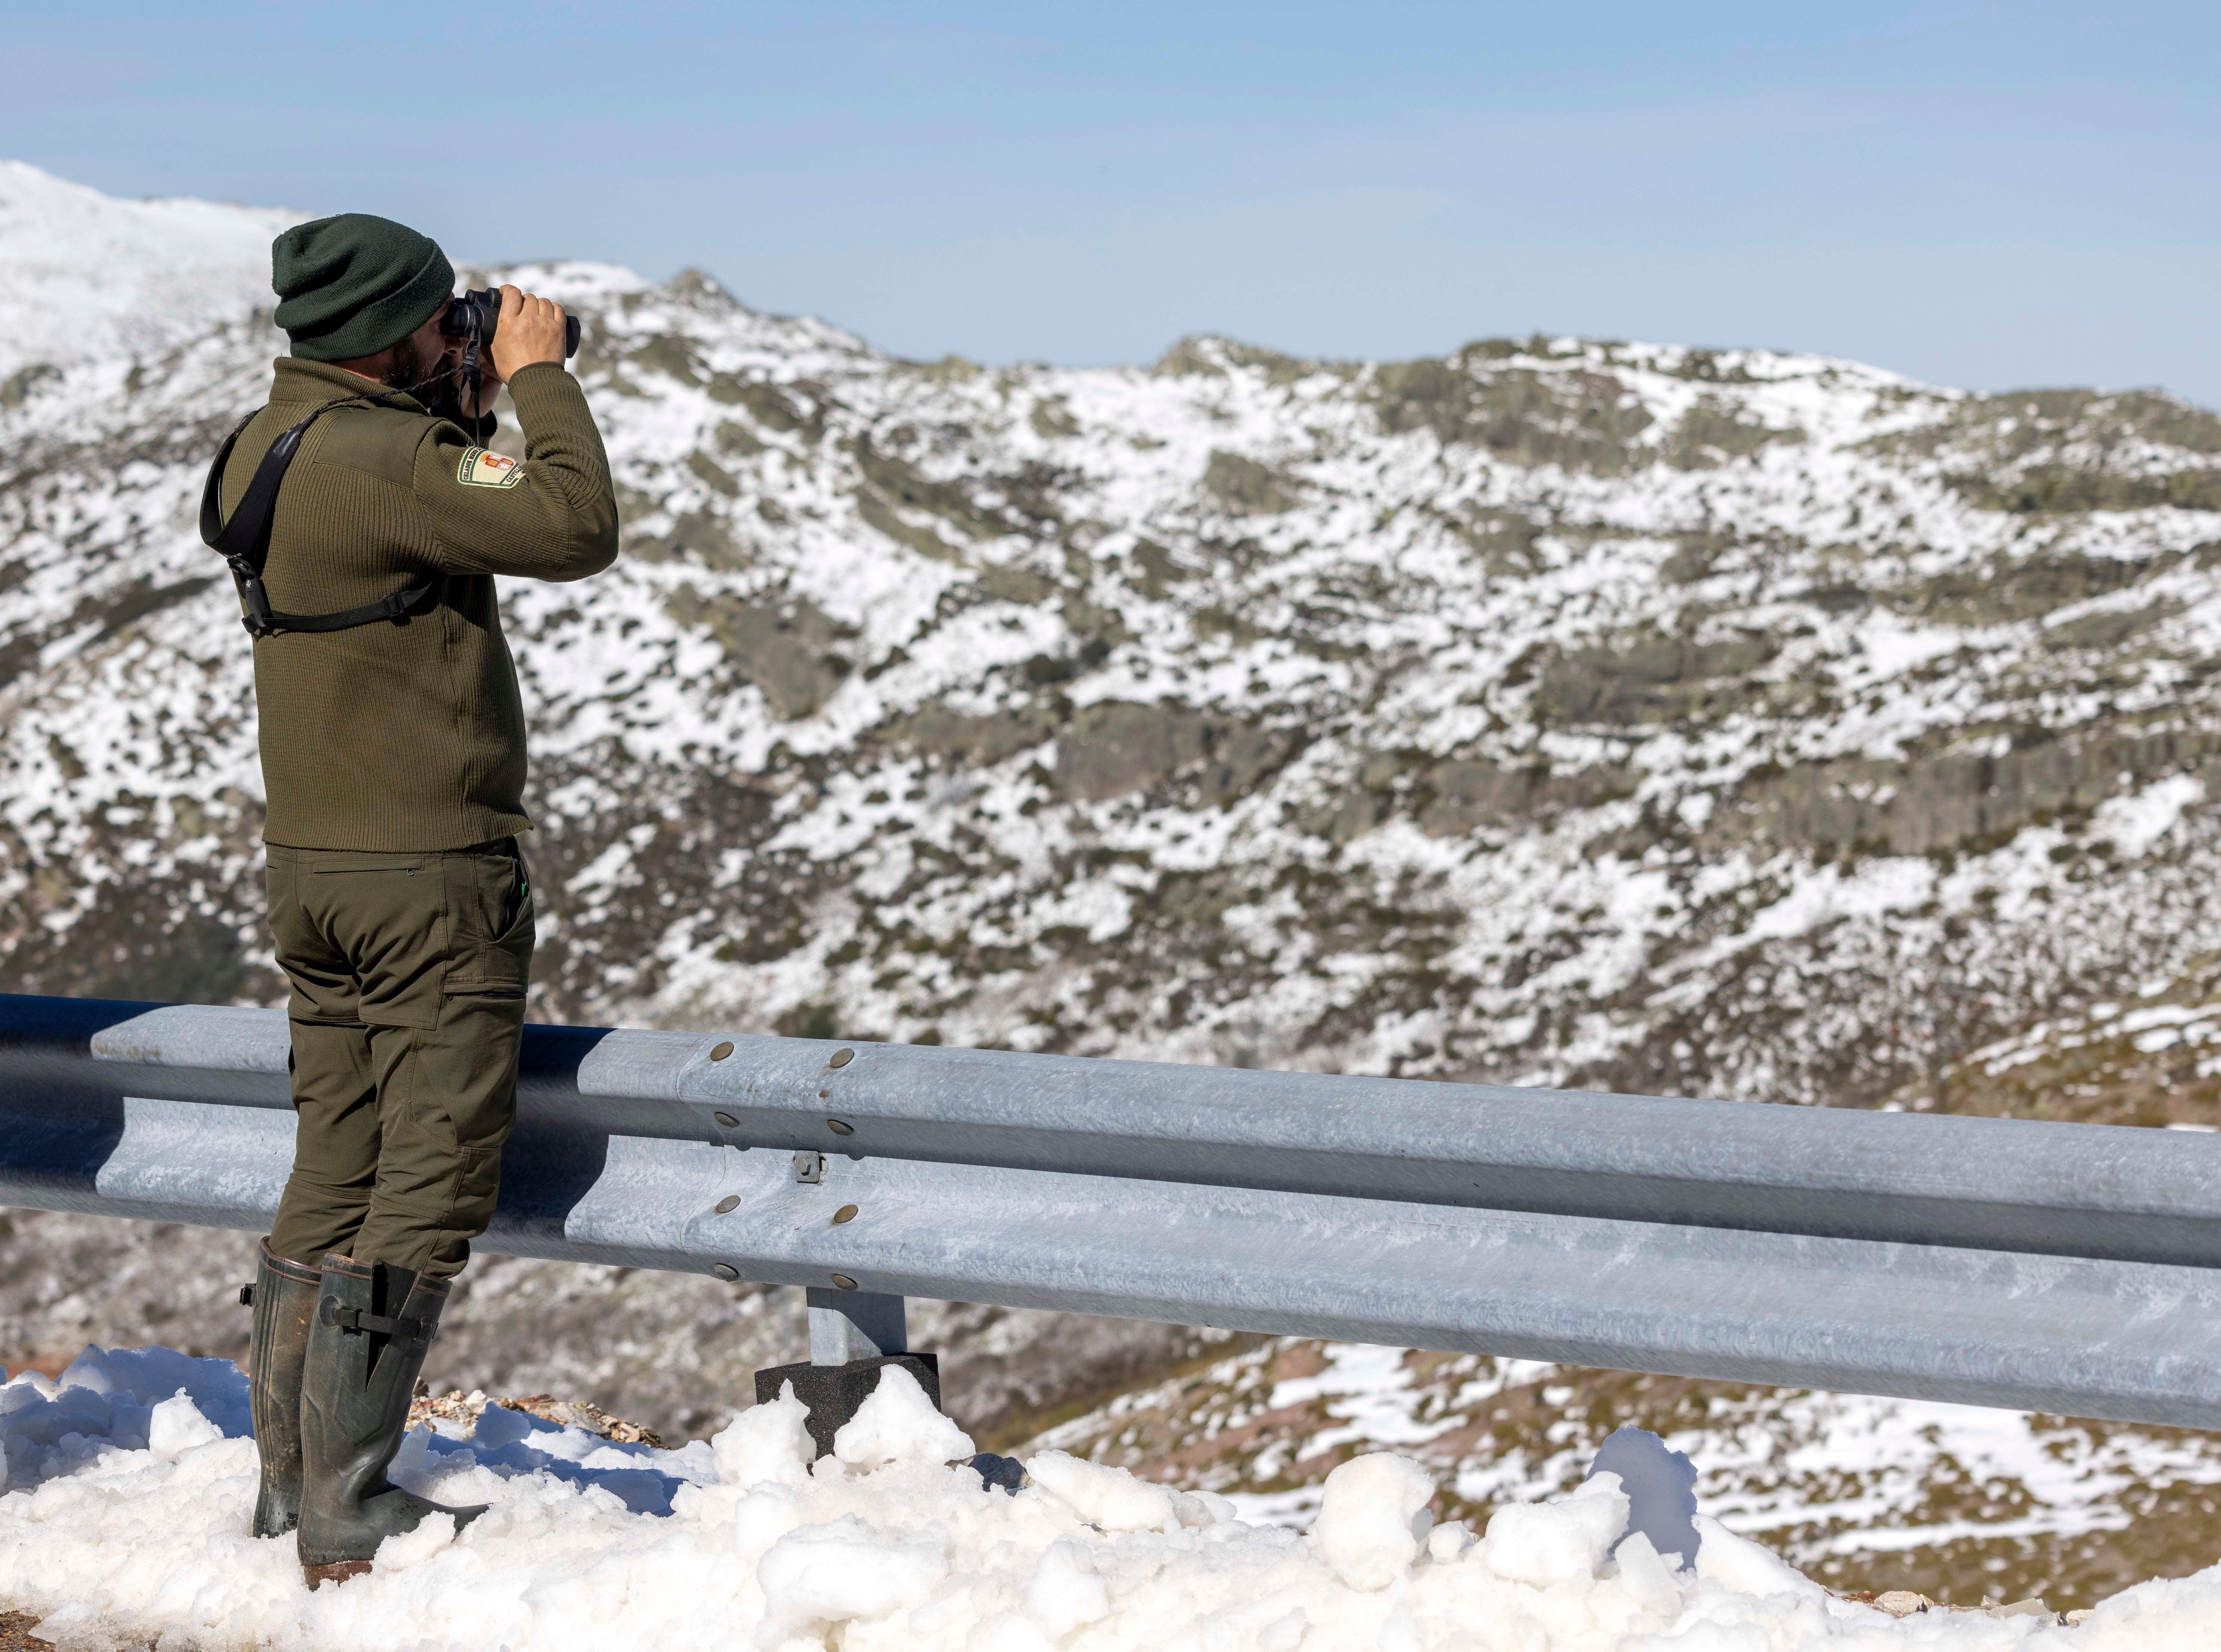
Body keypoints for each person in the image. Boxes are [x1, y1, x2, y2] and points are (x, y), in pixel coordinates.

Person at [214, 213, 620, 1587]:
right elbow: (572, 525)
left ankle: (288, 1489)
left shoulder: (271, 444)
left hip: (314, 872)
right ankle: (346, 1505)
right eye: (443, 317)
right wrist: (539, 379)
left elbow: (426, 509)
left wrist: (464, 400)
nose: (465, 330)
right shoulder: (387, 462)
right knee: (427, 1182)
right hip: (429, 880)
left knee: (335, 1164)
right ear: (390, 332)